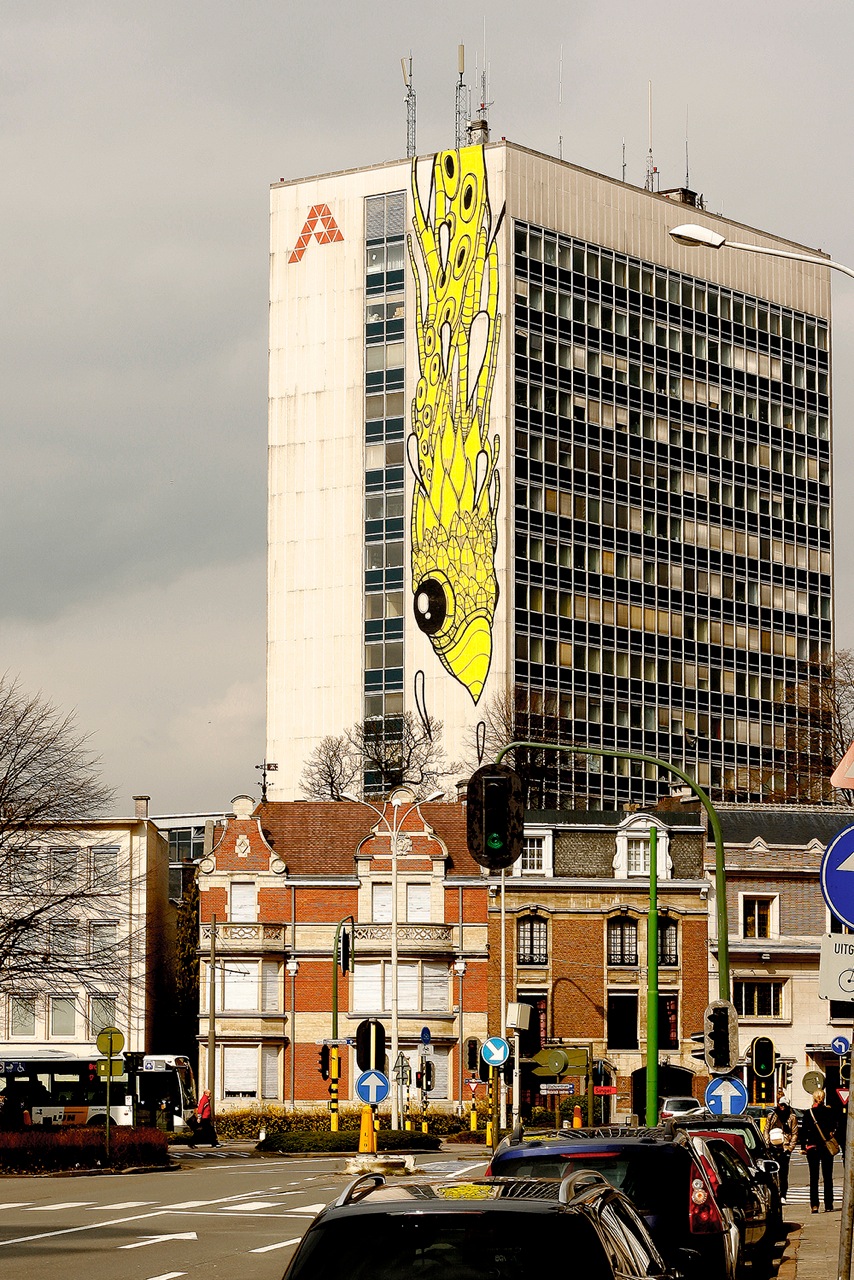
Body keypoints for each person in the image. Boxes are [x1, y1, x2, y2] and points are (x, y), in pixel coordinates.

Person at [800, 1088, 839, 1212]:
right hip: (826, 1148)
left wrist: (803, 1147)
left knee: (814, 1178)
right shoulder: (829, 1112)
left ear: (813, 1098)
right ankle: (828, 1205)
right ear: (824, 1098)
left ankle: (815, 1205)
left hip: (812, 1148)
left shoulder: (808, 1113)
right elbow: (834, 1128)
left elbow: (803, 1132)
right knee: (828, 1177)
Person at [766, 1091, 798, 1202]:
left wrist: (790, 1148)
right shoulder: (772, 1116)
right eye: (780, 1104)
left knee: (783, 1173)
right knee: (772, 1173)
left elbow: (795, 1133)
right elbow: (766, 1130)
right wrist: (767, 1144)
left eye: (784, 1105)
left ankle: (783, 1195)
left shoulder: (791, 1117)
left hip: (785, 1148)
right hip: (772, 1147)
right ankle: (775, 1194)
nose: (782, 1107)